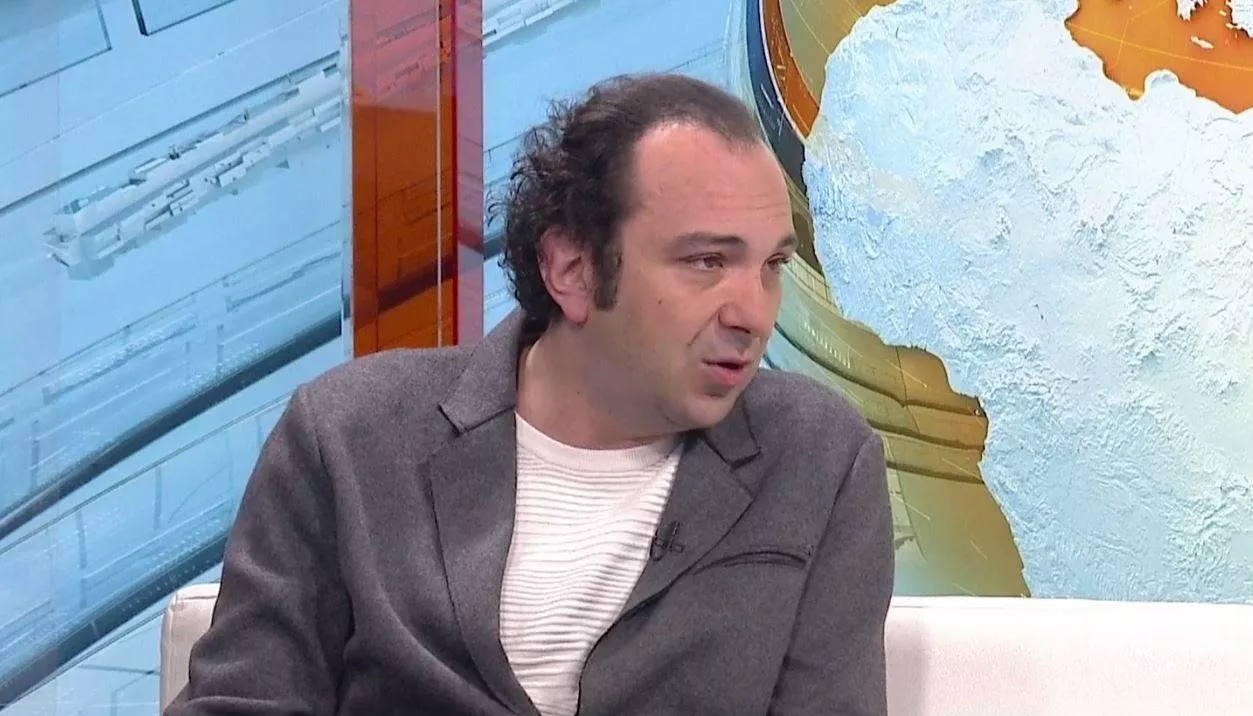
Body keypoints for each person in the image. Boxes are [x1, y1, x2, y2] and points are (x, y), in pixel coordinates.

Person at [165, 72, 894, 716]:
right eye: (706, 261)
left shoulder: (816, 457)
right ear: (572, 269)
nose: (753, 313)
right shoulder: (350, 434)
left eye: (771, 266)